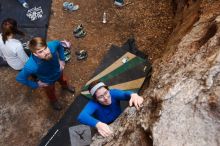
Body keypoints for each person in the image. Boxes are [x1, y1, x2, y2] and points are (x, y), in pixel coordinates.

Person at [16, 37, 75, 110]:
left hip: (59, 72)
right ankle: (54, 101)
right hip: (47, 81)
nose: (46, 52)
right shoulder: (31, 65)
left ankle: (65, 86)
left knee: (63, 80)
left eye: (45, 48)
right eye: (40, 52)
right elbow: (20, 78)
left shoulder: (51, 46)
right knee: (50, 92)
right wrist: (37, 84)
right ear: (35, 54)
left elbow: (59, 45)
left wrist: (62, 60)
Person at [77, 80, 143, 137]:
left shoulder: (113, 93)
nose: (106, 98)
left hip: (119, 119)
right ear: (96, 99)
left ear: (108, 90)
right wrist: (97, 124)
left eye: (106, 92)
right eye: (100, 97)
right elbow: (81, 116)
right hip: (104, 125)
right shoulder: (94, 104)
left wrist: (133, 95)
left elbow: (125, 94)